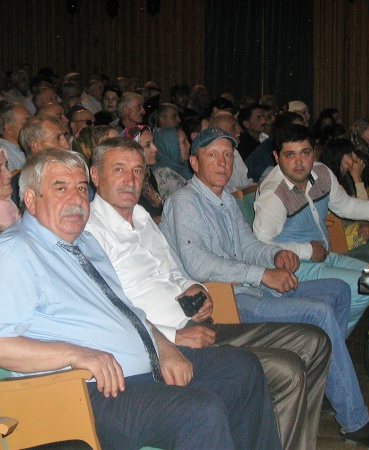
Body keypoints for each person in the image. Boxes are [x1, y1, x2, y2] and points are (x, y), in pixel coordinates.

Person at [0, 149, 281, 450]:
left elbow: (128, 312)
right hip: (88, 392)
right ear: (30, 199)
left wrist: (164, 347)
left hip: (140, 372)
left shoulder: (86, 242)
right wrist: (78, 354)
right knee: (199, 411)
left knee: (242, 369)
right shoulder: (14, 253)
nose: (76, 199)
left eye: (81, 188)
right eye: (60, 188)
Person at [160, 127, 369, 449]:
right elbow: (198, 264)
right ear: (194, 163)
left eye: (227, 155)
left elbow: (249, 245)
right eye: (212, 155)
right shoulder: (185, 202)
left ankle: (326, 381)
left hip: (246, 289)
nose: (223, 163)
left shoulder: (223, 200)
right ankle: (355, 421)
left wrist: (275, 255)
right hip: (223, 301)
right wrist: (263, 274)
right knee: (318, 312)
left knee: (338, 291)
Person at [86, 137, 331, 449]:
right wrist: (172, 338)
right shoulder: (90, 232)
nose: (130, 179)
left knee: (314, 340)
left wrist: (196, 289)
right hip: (167, 340)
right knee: (285, 370)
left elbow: (176, 271)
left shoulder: (143, 218)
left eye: (137, 171)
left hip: (197, 322)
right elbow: (111, 308)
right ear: (95, 175)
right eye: (119, 169)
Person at [254, 124, 369, 333]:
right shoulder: (273, 194)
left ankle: (327, 337)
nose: (298, 162)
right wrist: (307, 250)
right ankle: (332, 342)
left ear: (314, 152)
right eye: (290, 155)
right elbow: (260, 246)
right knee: (363, 288)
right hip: (295, 267)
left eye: (305, 153)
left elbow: (347, 206)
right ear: (276, 156)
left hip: (324, 257)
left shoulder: (322, 173)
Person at [121, 125, 163, 218]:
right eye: (147, 145)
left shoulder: (147, 174)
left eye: (153, 143)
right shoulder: (129, 181)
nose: (155, 149)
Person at [152, 126, 192, 200]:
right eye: (184, 142)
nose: (189, 145)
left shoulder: (183, 167)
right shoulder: (164, 175)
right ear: (172, 146)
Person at [0, 102, 30, 171]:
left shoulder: (25, 147)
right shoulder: (4, 155)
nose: (32, 126)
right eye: (26, 123)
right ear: (9, 129)